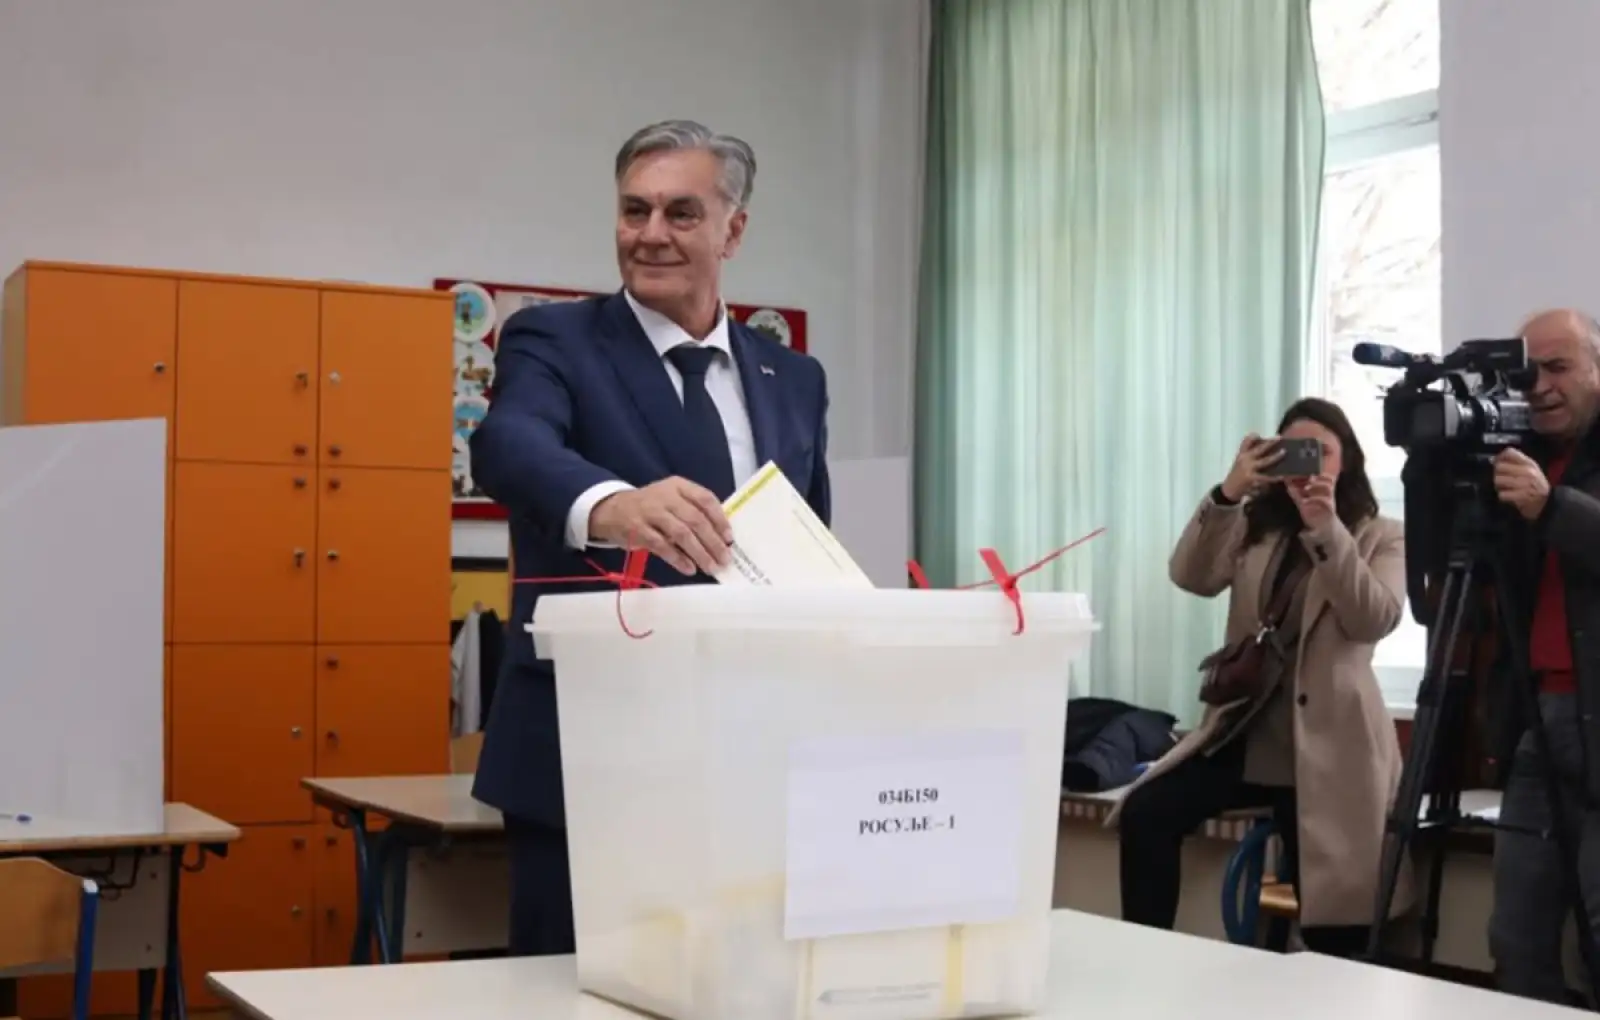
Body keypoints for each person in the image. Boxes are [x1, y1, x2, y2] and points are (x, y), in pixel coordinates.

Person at [467, 119, 832, 956]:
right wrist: (610, 505)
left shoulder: (794, 378)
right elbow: (509, 445)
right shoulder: (554, 339)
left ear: (733, 230)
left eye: (680, 213)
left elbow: (807, 537)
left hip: (745, 749)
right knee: (569, 988)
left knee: (730, 984)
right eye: (635, 211)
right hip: (588, 747)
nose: (651, 234)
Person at [1107, 397, 1412, 956]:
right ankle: (1144, 959)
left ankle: (1335, 990)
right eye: (1291, 452)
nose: (1307, 466)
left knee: (1332, 913)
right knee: (1147, 812)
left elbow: (1372, 619)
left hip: (1331, 749)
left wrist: (1326, 528)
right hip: (1245, 733)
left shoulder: (1381, 535)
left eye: (1320, 452)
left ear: (1347, 460)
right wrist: (1228, 493)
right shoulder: (1255, 524)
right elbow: (1190, 576)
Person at [1486, 308, 1600, 1003]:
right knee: (1516, 941)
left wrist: (1551, 504)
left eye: (1559, 367)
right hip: (1536, 719)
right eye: (1529, 372)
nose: (1541, 386)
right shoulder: (1510, 451)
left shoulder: (1538, 478)